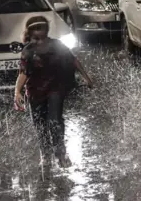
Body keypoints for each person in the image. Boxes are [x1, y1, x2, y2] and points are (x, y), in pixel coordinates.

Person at [14, 16, 93, 167]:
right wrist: (17, 91)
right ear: (30, 32)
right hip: (35, 91)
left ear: (47, 29)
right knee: (39, 124)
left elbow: (73, 60)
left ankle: (60, 152)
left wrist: (87, 77)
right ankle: (45, 153)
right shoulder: (28, 51)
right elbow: (23, 73)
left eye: (42, 27)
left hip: (56, 87)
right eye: (36, 29)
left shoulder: (57, 45)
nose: (39, 32)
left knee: (55, 120)